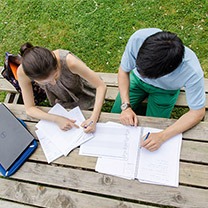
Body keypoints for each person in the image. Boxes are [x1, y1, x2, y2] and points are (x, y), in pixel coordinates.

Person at [111, 28, 205, 151]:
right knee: (115, 119)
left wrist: (162, 136)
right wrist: (126, 106)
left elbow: (197, 113)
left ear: (169, 70)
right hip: (136, 82)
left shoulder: (192, 71)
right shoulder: (138, 39)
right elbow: (124, 71)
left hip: (166, 90)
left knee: (154, 127)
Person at [17, 42, 107, 133]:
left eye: (55, 76)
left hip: (84, 93)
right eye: (46, 82)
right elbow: (29, 109)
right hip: (62, 100)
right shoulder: (23, 72)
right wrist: (57, 119)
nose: (53, 82)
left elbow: (101, 85)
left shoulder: (69, 62)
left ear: (56, 65)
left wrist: (93, 119)